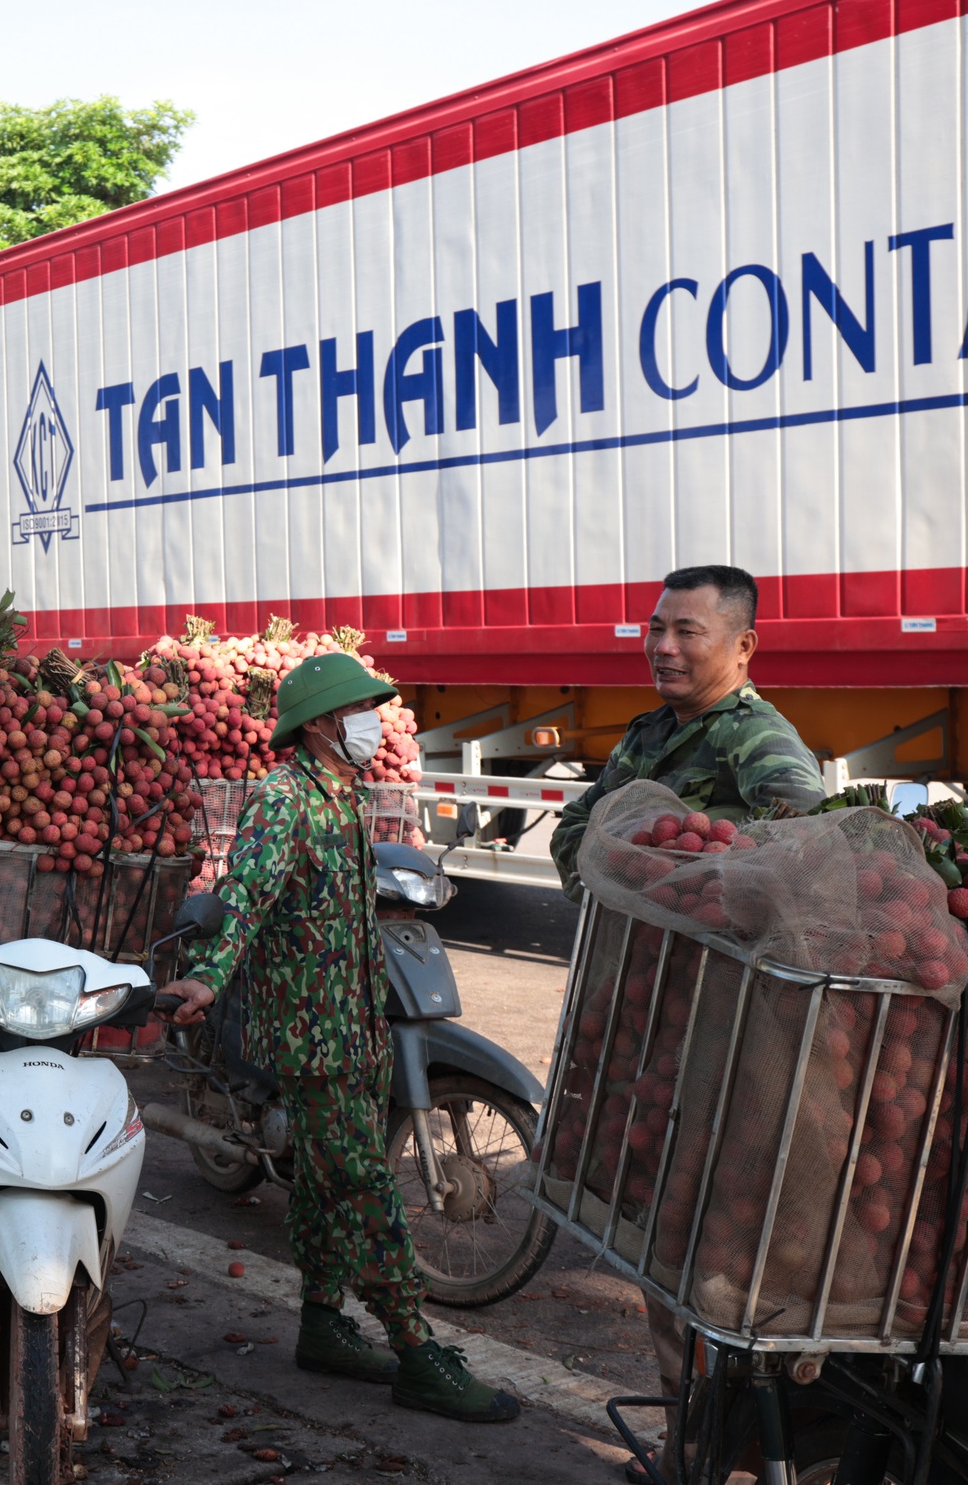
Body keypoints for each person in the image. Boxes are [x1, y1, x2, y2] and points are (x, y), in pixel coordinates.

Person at [164, 652, 521, 1424]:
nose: (371, 722)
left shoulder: (345, 797)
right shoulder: (287, 799)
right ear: (325, 723)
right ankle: (416, 1351)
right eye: (360, 710)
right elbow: (247, 894)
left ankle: (324, 1325)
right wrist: (209, 975)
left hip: (356, 1028)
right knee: (365, 1187)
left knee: (325, 1188)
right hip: (310, 1037)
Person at [547, 564, 824, 1481]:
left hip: (726, 1037)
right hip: (647, 1019)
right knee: (661, 1247)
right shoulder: (652, 732)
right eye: (655, 627)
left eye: (688, 632)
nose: (663, 645)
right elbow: (581, 829)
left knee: (710, 1249)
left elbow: (804, 844)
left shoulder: (759, 742)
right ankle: (694, 1444)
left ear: (743, 646)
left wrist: (680, 883)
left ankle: (727, 1453)